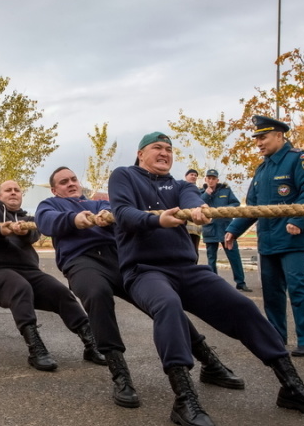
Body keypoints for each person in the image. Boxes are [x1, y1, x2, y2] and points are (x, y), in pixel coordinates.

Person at [108, 130, 304, 426]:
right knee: (168, 305)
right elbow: (122, 213)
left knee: (242, 306)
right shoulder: (124, 176)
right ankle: (184, 398)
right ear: (140, 153)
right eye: (157, 148)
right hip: (145, 271)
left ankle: (291, 385)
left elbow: (190, 197)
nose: (164, 153)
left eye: (169, 149)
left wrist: (198, 208)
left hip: (186, 269)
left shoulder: (181, 184)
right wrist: (157, 220)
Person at [36, 166, 244, 408]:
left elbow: (125, 216)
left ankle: (210, 363)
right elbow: (45, 222)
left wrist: (107, 213)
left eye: (73, 179)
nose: (71, 183)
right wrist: (74, 219)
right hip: (81, 261)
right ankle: (120, 375)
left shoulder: (99, 204)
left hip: (120, 259)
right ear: (54, 189)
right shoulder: (50, 204)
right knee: (97, 294)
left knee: (163, 301)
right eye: (63, 182)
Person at [0, 180, 106, 370]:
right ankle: (36, 349)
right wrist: (2, 229)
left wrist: (24, 231)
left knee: (61, 293)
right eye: (8, 190)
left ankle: (91, 344)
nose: (13, 193)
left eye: (17, 190)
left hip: (30, 271)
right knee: (20, 287)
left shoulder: (30, 219)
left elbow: (34, 236)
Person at [226, 116, 304, 357]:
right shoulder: (263, 168)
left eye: (263, 137)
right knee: (271, 292)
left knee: (298, 288)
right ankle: (276, 338)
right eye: (257, 138)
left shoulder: (299, 160)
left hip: (293, 238)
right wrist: (233, 230)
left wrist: (297, 219)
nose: (258, 143)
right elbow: (253, 206)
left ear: (279, 136)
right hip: (268, 241)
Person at [200, 169, 252, 292]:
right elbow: (197, 204)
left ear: (217, 180)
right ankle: (213, 283)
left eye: (213, 178)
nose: (211, 180)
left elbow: (236, 203)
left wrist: (225, 209)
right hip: (210, 229)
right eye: (209, 178)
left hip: (226, 228)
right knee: (211, 259)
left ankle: (240, 282)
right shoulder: (201, 192)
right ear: (206, 179)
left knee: (234, 257)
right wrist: (207, 194)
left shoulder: (226, 191)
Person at [183, 169, 202, 261]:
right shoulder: (180, 190)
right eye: (191, 174)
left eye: (195, 175)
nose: (194, 176)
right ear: (186, 176)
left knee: (194, 252)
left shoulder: (199, 192)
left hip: (195, 229)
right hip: (183, 227)